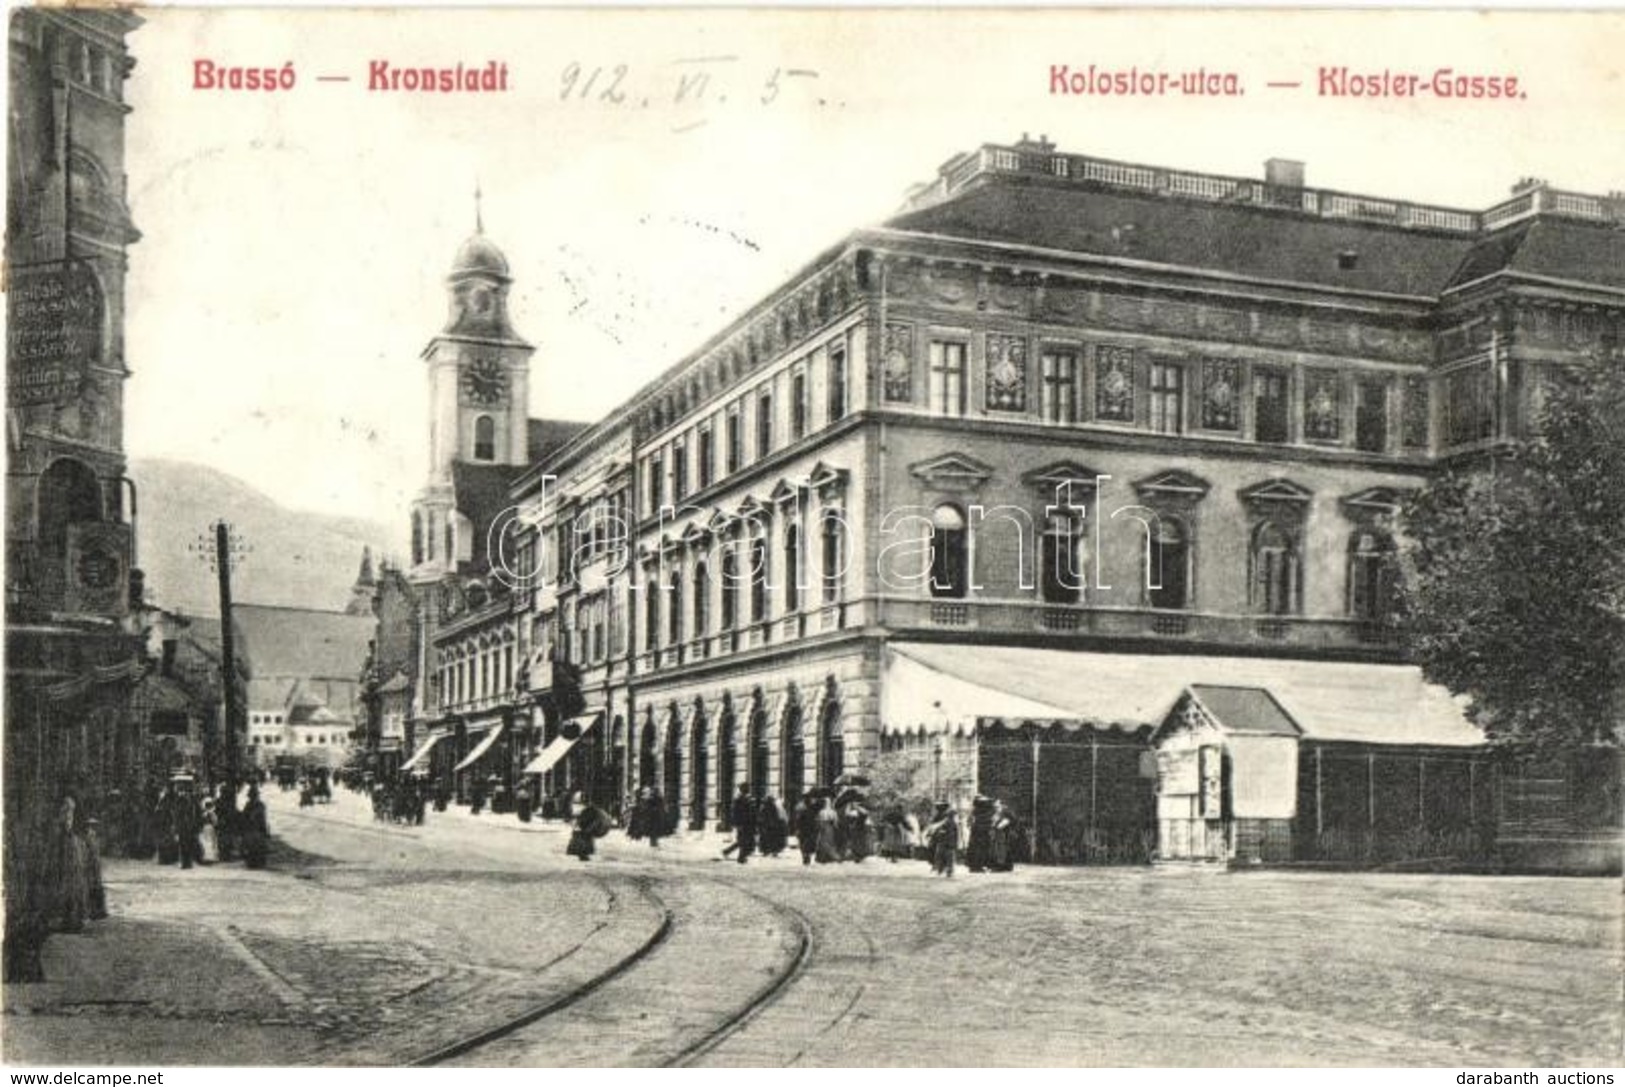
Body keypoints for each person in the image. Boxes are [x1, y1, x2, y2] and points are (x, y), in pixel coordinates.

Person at [926, 801, 960, 878]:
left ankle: (944, 870)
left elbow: (936, 827)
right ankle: (941, 869)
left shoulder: (948, 821)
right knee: (941, 855)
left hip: (944, 841)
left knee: (944, 856)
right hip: (942, 840)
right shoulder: (943, 819)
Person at [241, 786, 270, 869]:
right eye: (252, 796)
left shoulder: (258, 805)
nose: (252, 797)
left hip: (255, 828)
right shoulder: (254, 805)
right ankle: (254, 863)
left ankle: (256, 863)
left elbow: (262, 818)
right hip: (253, 829)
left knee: (255, 846)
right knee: (254, 846)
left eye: (253, 795)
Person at [729, 784, 757, 864]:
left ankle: (728, 852)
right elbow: (735, 813)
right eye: (746, 788)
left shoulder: (748, 799)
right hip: (743, 824)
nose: (748, 789)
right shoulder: (739, 799)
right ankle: (741, 858)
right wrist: (737, 824)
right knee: (744, 841)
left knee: (743, 841)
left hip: (749, 824)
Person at [967, 795, 995, 873]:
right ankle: (981, 865)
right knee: (983, 849)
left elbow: (969, 822)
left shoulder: (975, 811)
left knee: (976, 848)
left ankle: (974, 866)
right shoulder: (989, 811)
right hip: (984, 832)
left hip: (976, 832)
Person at [990, 800, 1018, 873]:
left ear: (1001, 805)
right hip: (999, 834)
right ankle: (1001, 865)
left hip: (1005, 833)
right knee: (999, 849)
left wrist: (998, 825)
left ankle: (1004, 866)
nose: (995, 808)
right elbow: (993, 822)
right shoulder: (997, 813)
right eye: (995, 807)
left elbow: (1007, 822)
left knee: (1004, 849)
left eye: (997, 806)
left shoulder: (1006, 812)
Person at [814, 797, 841, 863]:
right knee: (830, 842)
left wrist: (819, 826)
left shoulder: (821, 812)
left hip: (824, 828)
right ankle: (831, 856)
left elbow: (819, 821)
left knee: (823, 842)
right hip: (830, 828)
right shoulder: (833, 812)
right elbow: (836, 822)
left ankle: (823, 857)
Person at [795, 795, 820, 866]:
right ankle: (807, 855)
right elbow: (815, 822)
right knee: (808, 844)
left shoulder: (802, 812)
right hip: (810, 830)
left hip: (804, 830)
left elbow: (798, 821)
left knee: (803, 844)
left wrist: (797, 829)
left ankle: (805, 856)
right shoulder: (813, 812)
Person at [198, 798, 220, 864]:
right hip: (210, 828)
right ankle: (211, 858)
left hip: (204, 828)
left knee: (206, 843)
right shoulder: (213, 814)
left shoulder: (204, 814)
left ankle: (206, 857)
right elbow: (215, 822)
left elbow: (201, 821)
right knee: (211, 843)